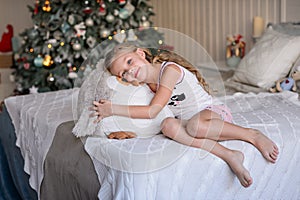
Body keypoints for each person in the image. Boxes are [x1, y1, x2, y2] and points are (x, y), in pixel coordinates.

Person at [91, 43, 279, 187]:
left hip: (213, 115)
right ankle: (230, 155)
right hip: (189, 122)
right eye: (123, 73)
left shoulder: (169, 70)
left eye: (129, 62)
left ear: (141, 53)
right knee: (168, 125)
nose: (129, 71)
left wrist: (112, 109)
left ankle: (252, 134)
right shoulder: (144, 86)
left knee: (195, 126)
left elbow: (152, 111)